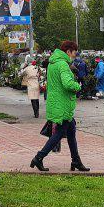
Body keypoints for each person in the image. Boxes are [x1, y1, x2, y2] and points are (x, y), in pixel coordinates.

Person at [30, 41, 90, 172]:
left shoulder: (52, 63)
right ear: (68, 51)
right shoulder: (63, 64)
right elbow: (68, 83)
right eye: (74, 53)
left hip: (56, 103)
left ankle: (76, 161)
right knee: (58, 134)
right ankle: (39, 157)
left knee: (71, 131)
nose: (74, 56)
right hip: (62, 105)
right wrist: (77, 86)